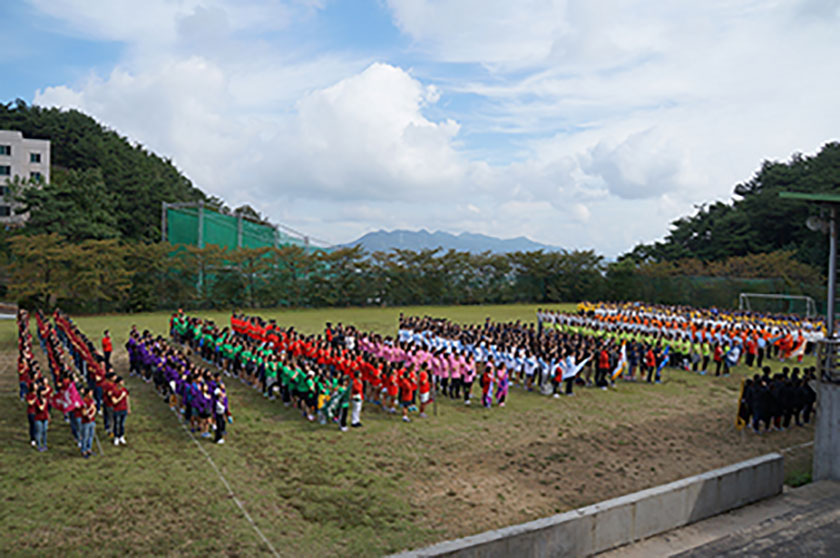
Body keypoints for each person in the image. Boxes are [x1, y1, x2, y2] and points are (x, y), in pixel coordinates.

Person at [111, 376, 129, 446]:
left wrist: (128, 408)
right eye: (121, 381)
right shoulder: (114, 390)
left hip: (123, 409)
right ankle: (116, 436)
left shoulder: (124, 390)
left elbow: (127, 398)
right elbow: (114, 401)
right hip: (117, 409)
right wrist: (121, 396)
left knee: (122, 424)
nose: (123, 382)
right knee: (117, 423)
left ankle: (121, 436)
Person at [80, 387, 96, 457]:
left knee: (91, 435)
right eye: (90, 392)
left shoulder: (91, 400)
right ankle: (84, 450)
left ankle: (89, 449)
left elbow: (94, 409)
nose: (91, 393)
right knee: (85, 436)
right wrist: (89, 409)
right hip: (85, 422)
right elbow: (84, 413)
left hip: (92, 421)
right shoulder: (83, 402)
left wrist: (92, 415)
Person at [33, 385, 50, 452]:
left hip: (45, 417)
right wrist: (44, 402)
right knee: (39, 431)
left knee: (45, 431)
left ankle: (45, 444)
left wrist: (48, 416)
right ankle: (39, 445)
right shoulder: (37, 400)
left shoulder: (46, 398)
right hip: (38, 418)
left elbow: (46, 409)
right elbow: (41, 408)